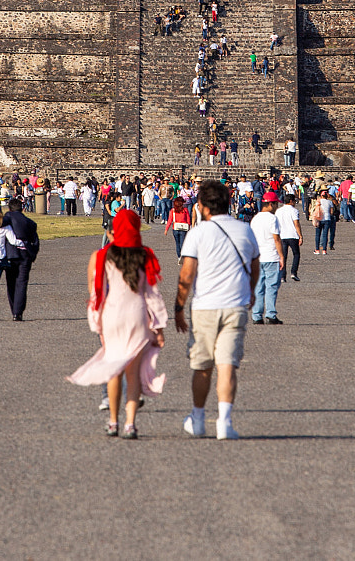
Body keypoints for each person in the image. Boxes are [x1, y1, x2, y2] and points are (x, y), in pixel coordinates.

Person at [68, 210, 169, 439]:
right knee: (132, 374)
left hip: (112, 315)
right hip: (137, 315)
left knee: (114, 370)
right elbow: (152, 294)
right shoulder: (145, 255)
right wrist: (159, 327)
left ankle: (113, 421)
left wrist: (96, 324)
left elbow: (96, 293)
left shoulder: (101, 255)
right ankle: (130, 424)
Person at [174, 180, 259, 440]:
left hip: (205, 307)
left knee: (202, 366)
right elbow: (254, 266)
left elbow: (187, 275)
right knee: (227, 365)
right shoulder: (245, 229)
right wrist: (251, 292)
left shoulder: (198, 232)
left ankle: (198, 418)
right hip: (236, 304)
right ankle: (224, 421)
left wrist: (178, 307)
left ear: (201, 206)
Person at [248, 193, 284, 325]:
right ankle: (270, 313)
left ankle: (256, 315)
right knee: (272, 286)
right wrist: (281, 256)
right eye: (276, 204)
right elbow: (276, 238)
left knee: (258, 287)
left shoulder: (255, 219)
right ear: (270, 204)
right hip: (271, 256)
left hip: (258, 257)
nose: (277, 206)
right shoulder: (272, 218)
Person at [3, 199, 40, 321]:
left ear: (9, 209)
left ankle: (14, 308)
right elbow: (35, 240)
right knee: (22, 283)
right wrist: (32, 253)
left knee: (11, 282)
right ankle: (18, 312)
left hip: (11, 254)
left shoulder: (7, 218)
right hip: (25, 254)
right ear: (22, 208)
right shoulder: (29, 222)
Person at [275, 192, 302, 282]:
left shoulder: (278, 211)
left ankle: (282, 276)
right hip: (292, 235)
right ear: (291, 201)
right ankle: (294, 272)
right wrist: (300, 236)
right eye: (294, 201)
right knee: (296, 254)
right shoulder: (294, 210)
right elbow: (296, 224)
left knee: (283, 256)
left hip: (282, 235)